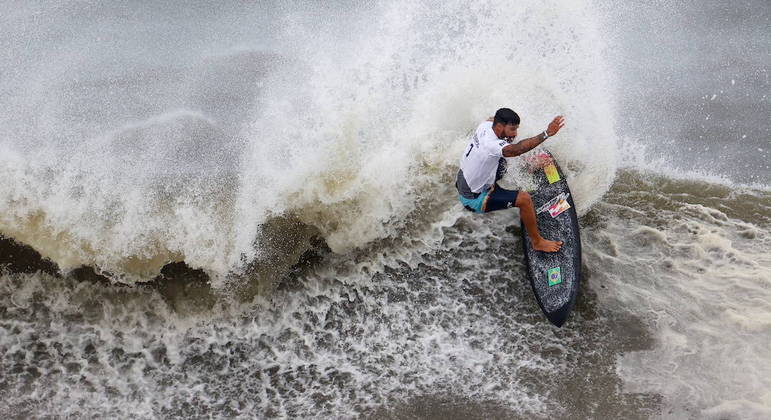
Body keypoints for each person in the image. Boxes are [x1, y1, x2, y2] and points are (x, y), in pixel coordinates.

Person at [455, 108, 565, 253]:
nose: (515, 134)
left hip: (466, 179)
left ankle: (529, 165)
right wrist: (546, 133)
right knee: (524, 199)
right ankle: (537, 242)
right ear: (499, 126)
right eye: (512, 129)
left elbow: (493, 120)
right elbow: (516, 150)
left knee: (504, 154)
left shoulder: (486, 126)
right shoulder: (491, 145)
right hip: (475, 198)